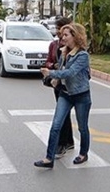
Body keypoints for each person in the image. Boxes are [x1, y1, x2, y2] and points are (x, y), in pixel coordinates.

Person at [35, 23, 92, 168]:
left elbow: (70, 72)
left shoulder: (82, 55)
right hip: (65, 94)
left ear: (75, 36)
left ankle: (83, 153)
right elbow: (62, 69)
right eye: (62, 35)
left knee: (82, 127)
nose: (63, 38)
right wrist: (54, 79)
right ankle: (49, 158)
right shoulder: (64, 53)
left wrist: (50, 73)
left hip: (81, 96)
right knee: (56, 126)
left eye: (66, 35)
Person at [44, 16, 74, 158]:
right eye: (56, 28)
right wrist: (52, 66)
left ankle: (63, 143)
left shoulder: (74, 47)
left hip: (70, 84)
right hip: (57, 83)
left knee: (63, 114)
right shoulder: (53, 45)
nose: (57, 32)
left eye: (60, 29)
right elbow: (48, 61)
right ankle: (68, 141)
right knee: (64, 113)